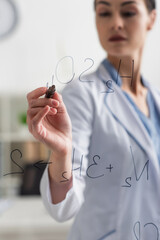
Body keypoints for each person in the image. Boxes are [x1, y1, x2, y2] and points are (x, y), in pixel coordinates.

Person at [26, 0, 160, 239]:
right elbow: (65, 206)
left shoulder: (156, 99)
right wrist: (62, 154)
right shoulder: (82, 95)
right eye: (105, 13)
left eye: (128, 12)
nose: (116, 23)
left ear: (151, 18)